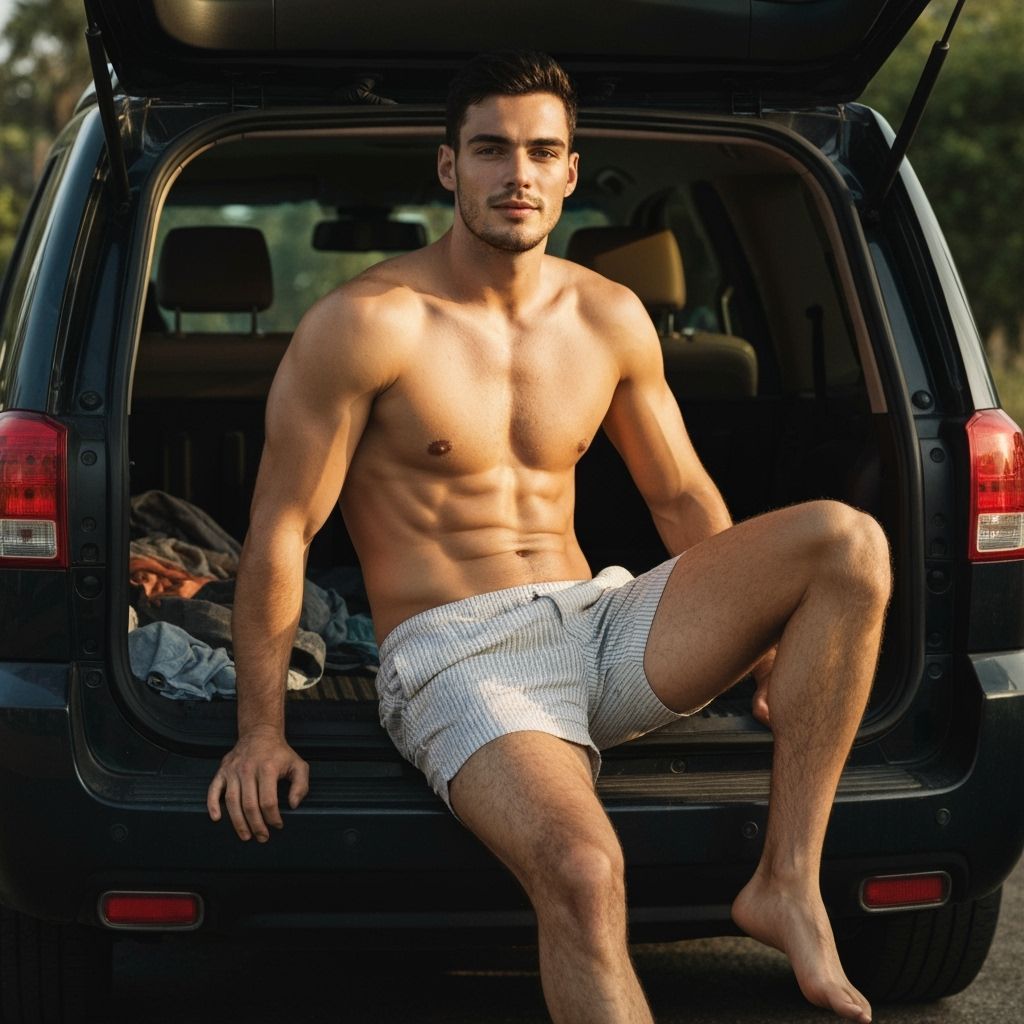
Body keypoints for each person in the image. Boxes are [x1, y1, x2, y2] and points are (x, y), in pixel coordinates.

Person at [207, 50, 889, 1024]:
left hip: (600, 620)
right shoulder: (366, 322)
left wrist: (771, 652)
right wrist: (259, 729)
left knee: (847, 541)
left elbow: (682, 497)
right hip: (463, 651)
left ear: (569, 170)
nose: (515, 174)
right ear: (449, 167)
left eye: (540, 152)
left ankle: (785, 880)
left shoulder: (607, 316)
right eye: (490, 149)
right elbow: (281, 530)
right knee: (582, 867)